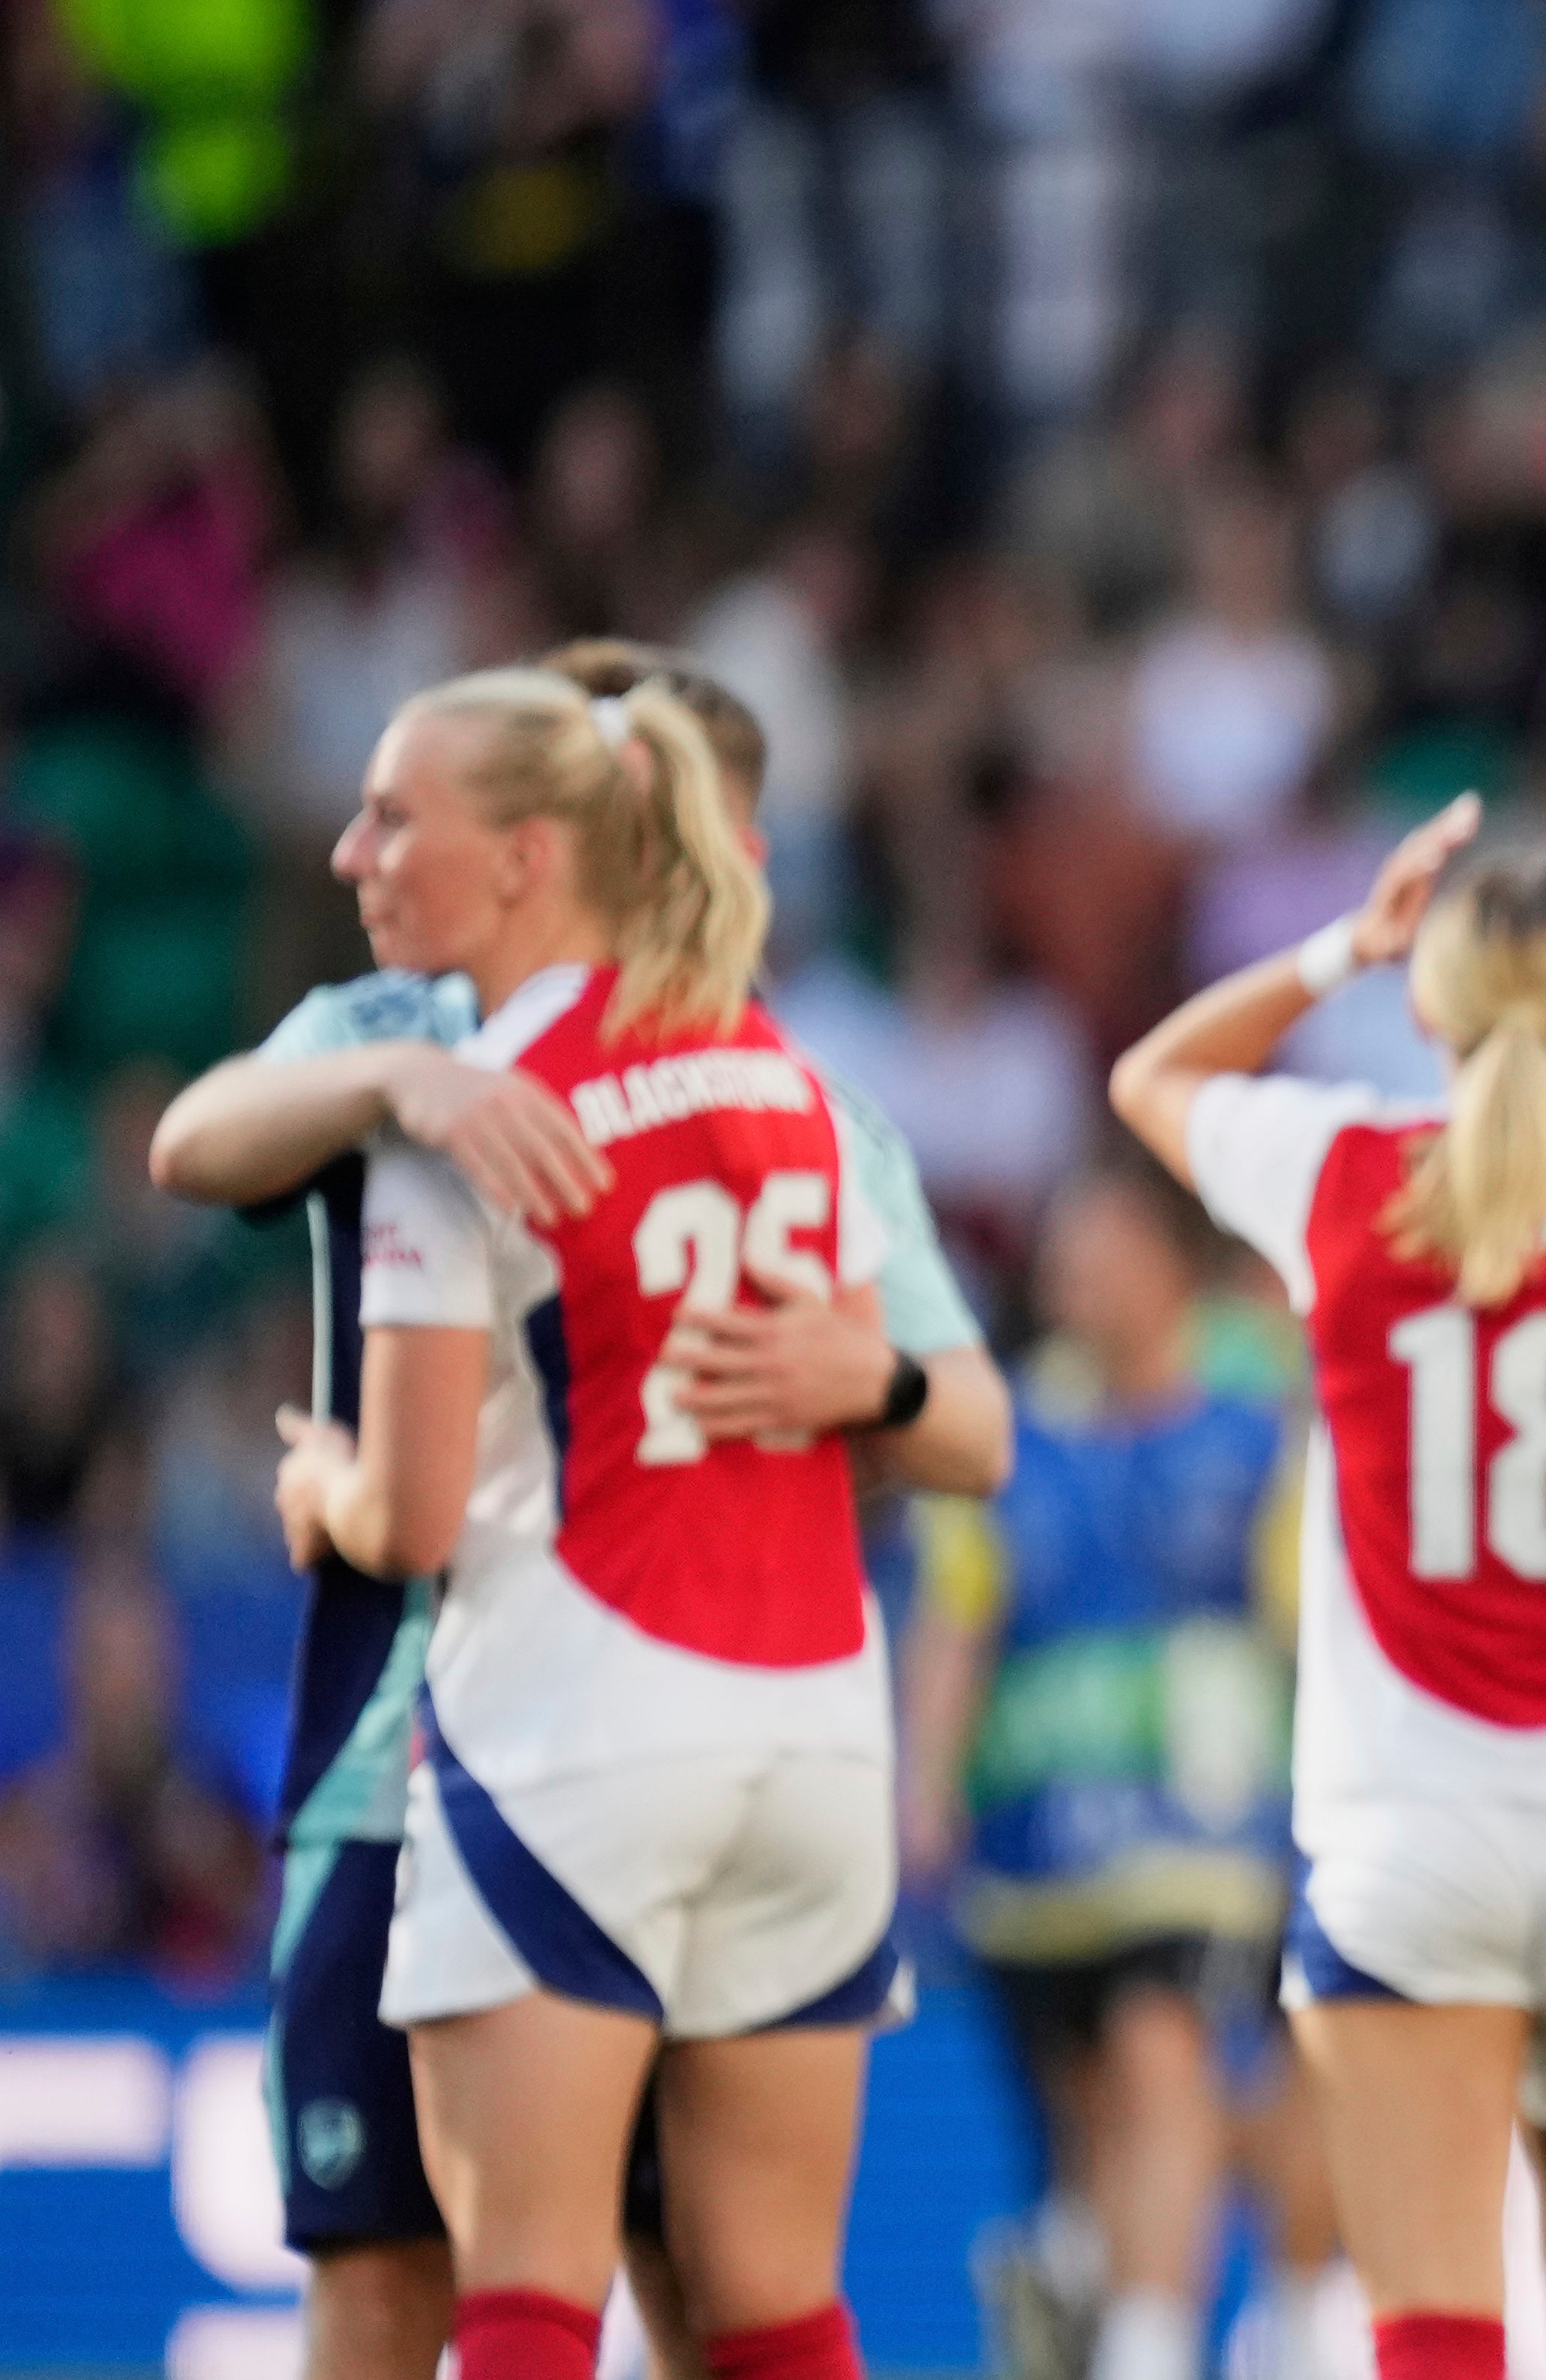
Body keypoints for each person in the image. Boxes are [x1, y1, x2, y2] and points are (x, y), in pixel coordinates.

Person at [147, 644, 1006, 2380]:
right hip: (802, 1725)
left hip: (531, 1733)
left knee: (521, 2296)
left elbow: (405, 1506)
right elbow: (201, 1135)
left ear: (547, 841)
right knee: (762, 2297)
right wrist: (392, 1082)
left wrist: (316, 1478)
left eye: (397, 815)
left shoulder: (484, 1111)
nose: (350, 851)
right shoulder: (782, 1085)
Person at [1108, 799, 1546, 2380]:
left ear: (1425, 1008)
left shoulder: (1337, 1170)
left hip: (1412, 1828)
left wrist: (1336, 943)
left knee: (1433, 2338)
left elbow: (1152, 1077)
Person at [902, 1155, 1293, 2380]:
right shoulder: (1002, 1432)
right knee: (1084, 2112)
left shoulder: (1261, 1420)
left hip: (1205, 1836)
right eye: (1068, 1248)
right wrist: (923, 1780)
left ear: (1174, 1262)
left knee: (1160, 2043)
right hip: (1034, 1846)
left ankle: (1150, 2340)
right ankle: (1082, 2279)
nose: (1084, 1271)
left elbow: (1303, 1614)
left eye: (1111, 1242)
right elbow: (957, 1619)